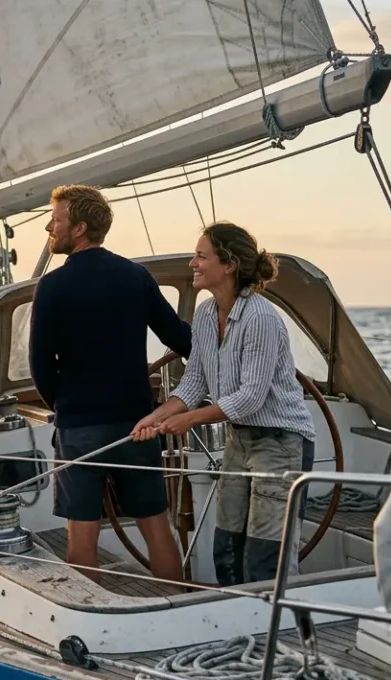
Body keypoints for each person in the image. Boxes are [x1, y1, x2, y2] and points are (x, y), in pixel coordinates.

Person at [132, 222, 315, 586]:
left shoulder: (261, 318)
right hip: (239, 442)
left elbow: (250, 397)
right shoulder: (203, 314)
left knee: (267, 557)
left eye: (201, 256)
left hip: (281, 444)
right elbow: (195, 380)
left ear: (228, 265)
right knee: (227, 550)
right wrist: (155, 417)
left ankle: (275, 635)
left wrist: (189, 422)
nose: (192, 263)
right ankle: (236, 629)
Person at [30, 185, 189, 584]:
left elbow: (39, 367)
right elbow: (180, 339)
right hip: (138, 424)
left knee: (81, 532)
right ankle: (180, 602)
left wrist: (65, 405)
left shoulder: (52, 287)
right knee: (156, 525)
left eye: (57, 219)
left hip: (79, 428)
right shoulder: (136, 277)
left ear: (80, 228)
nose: (50, 226)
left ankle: (89, 625)